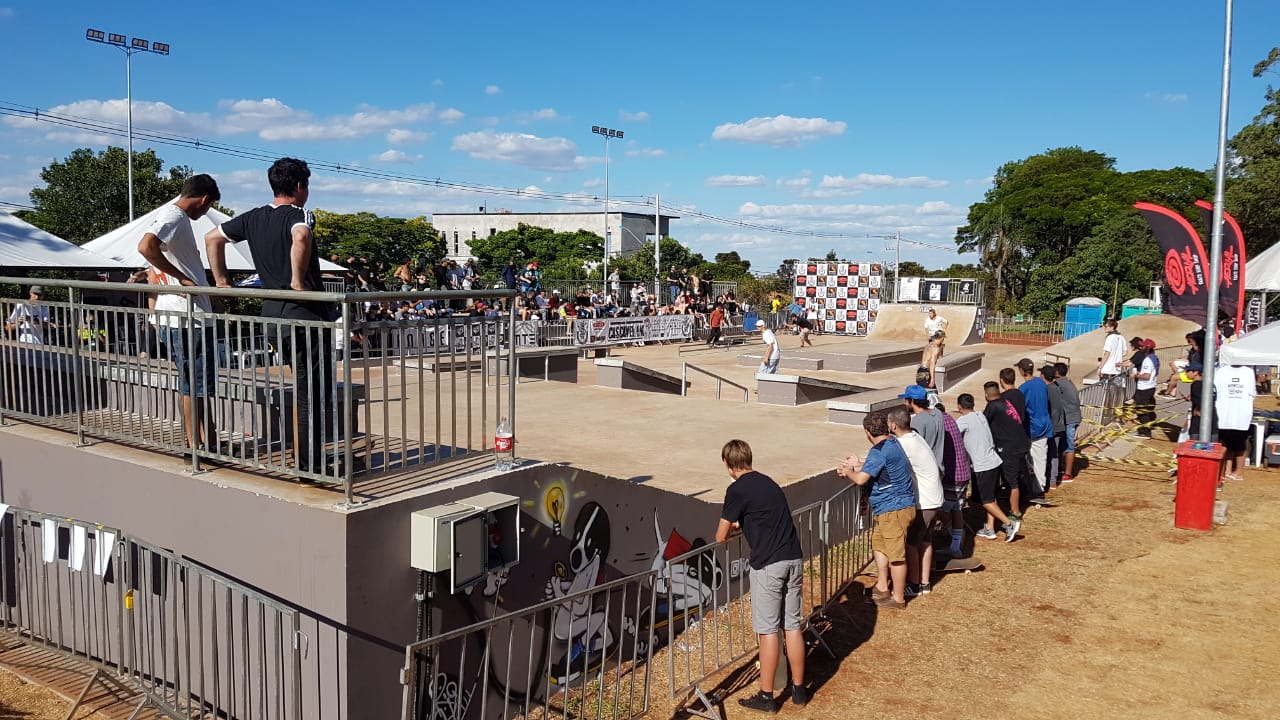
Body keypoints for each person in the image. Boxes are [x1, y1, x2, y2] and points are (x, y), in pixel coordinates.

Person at [207, 157, 341, 478]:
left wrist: (223, 283)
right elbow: (301, 237)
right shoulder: (301, 214)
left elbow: (212, 238)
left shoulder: (254, 217)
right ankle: (311, 465)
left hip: (272, 316)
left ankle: (305, 458)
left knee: (302, 386)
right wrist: (297, 281)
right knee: (314, 393)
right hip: (304, 313)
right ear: (299, 187)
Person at [716, 440, 808, 712]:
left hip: (769, 565)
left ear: (727, 464)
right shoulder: (769, 482)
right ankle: (799, 689)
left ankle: (767, 696)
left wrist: (734, 527)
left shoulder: (736, 489)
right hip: (793, 557)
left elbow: (720, 536)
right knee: (791, 625)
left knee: (768, 631)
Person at [138, 173, 223, 458]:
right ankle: (195, 445)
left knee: (195, 383)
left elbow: (151, 260)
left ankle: (204, 439)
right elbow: (146, 247)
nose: (206, 212)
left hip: (181, 316)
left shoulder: (170, 216)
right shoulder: (174, 216)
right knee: (194, 383)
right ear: (204, 200)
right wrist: (184, 279)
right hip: (186, 318)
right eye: (208, 207)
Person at [838, 409, 917, 610]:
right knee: (880, 545)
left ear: (867, 432)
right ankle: (882, 586)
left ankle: (898, 598)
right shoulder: (891, 443)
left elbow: (861, 479)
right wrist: (859, 464)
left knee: (896, 555)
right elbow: (878, 466)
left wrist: (849, 471)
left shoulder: (879, 450)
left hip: (894, 509)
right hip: (891, 509)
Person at [887, 407, 942, 598]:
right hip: (934, 498)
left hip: (924, 501)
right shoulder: (915, 437)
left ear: (893, 425)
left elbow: (887, 463)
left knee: (911, 543)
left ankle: (914, 583)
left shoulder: (903, 444)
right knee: (925, 541)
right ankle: (925, 582)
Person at [956, 393, 1020, 542]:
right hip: (994, 461)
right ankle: (990, 528)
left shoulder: (964, 421)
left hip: (982, 465)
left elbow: (953, 434)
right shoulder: (980, 415)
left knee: (986, 501)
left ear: (959, 407)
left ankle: (1009, 523)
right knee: (991, 497)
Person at [984, 381, 1030, 522]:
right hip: (1021, 444)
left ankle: (1015, 512)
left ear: (986, 395)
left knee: (1012, 482)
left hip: (1010, 448)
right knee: (1014, 477)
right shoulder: (1005, 401)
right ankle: (1013, 502)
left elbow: (984, 423)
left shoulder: (992, 406)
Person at [1015, 360, 1053, 501]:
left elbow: (1020, 409)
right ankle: (1041, 486)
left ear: (1021, 370)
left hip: (1032, 427)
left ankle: (1032, 488)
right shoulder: (1040, 383)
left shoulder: (1023, 388)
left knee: (1028, 460)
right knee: (1040, 458)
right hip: (1045, 424)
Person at [1214, 362, 1257, 481]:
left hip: (1240, 416)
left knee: (1239, 445)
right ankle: (1226, 470)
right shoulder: (1221, 371)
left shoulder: (1248, 372)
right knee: (1224, 443)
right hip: (1224, 415)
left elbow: (1252, 393)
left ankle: (1239, 471)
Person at [1053, 362, 1082, 483]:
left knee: (1069, 446)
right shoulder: (1068, 382)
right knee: (1063, 444)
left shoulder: (1059, 384)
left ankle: (1068, 473)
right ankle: (1060, 468)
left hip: (1070, 419)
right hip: (1071, 417)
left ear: (1057, 373)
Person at [1096, 318, 1128, 424]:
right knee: (1117, 392)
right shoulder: (1121, 337)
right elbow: (1125, 353)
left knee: (1107, 391)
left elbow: (1107, 353)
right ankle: (1116, 413)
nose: (1104, 328)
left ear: (1111, 326)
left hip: (1107, 369)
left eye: (1106, 326)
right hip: (1117, 370)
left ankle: (1106, 413)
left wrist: (1100, 367)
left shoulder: (1110, 338)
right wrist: (1117, 358)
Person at [1041, 364, 1065, 490]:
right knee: (1054, 454)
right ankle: (1053, 480)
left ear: (1043, 376)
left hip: (1050, 426)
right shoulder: (1057, 387)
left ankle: (1046, 479)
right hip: (1059, 425)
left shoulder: (1046, 390)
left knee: (1046, 454)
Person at [1130, 339, 1159, 439]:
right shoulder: (1154, 357)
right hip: (1150, 386)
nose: (1140, 348)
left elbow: (1146, 376)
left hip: (1144, 388)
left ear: (1147, 348)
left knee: (1142, 410)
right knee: (1145, 409)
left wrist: (1136, 375)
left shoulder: (1147, 360)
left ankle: (1144, 432)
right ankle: (1143, 430)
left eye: (1142, 346)